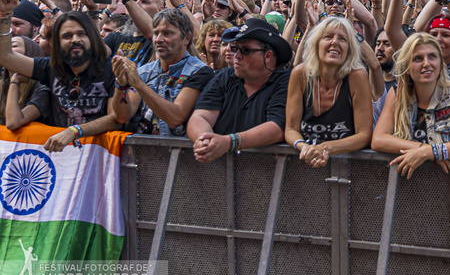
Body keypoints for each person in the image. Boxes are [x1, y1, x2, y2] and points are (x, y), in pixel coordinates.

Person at [0, 0, 120, 151]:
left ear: (91, 38)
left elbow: (115, 118)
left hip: (101, 159)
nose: (75, 39)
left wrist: (74, 131)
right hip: (62, 160)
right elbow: (6, 57)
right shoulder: (50, 68)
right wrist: (5, 14)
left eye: (81, 34)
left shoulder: (110, 68)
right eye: (67, 36)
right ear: (56, 43)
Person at [371, 33, 450, 178]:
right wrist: (423, 149)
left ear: (440, 62)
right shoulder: (398, 93)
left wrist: (430, 152)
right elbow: (378, 139)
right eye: (418, 58)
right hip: (411, 188)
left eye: (432, 56)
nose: (427, 63)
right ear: (407, 65)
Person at [188, 18, 292, 163]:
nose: (237, 56)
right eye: (236, 48)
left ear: (268, 56)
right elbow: (200, 116)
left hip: (270, 175)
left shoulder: (287, 82)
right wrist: (205, 141)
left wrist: (229, 142)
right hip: (220, 176)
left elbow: (278, 128)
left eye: (245, 50)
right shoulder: (224, 77)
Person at [285, 17, 372, 167]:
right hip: (304, 164)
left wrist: (324, 148)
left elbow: (364, 135)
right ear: (316, 44)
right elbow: (291, 129)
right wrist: (304, 147)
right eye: (328, 37)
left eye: (343, 39)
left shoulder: (357, 76)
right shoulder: (300, 74)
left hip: (347, 169)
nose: (335, 42)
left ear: (349, 49)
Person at [111, 9, 214, 136]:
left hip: (176, 153)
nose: (158, 39)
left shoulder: (200, 71)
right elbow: (122, 117)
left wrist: (138, 84)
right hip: (142, 151)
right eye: (156, 33)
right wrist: (121, 84)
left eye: (167, 33)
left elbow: (175, 118)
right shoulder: (144, 71)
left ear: (186, 38)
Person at [2, 36, 50, 128]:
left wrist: (14, 81)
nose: (6, 51)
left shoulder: (43, 89)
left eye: (13, 46)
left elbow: (13, 123)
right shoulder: (2, 85)